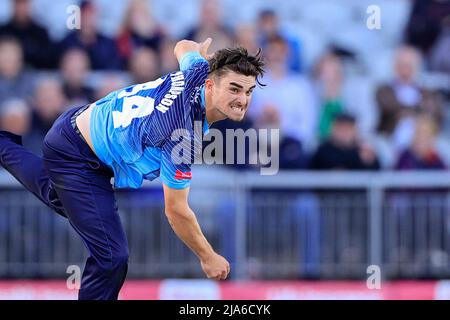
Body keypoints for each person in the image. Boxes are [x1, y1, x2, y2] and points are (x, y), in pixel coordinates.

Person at [0, 38, 265, 300]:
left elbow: (183, 46)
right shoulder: (181, 133)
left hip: (80, 135)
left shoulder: (197, 71)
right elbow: (176, 211)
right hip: (77, 155)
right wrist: (208, 256)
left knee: (58, 195)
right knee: (112, 256)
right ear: (210, 85)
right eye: (234, 89)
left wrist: (200, 54)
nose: (242, 99)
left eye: (248, 91)